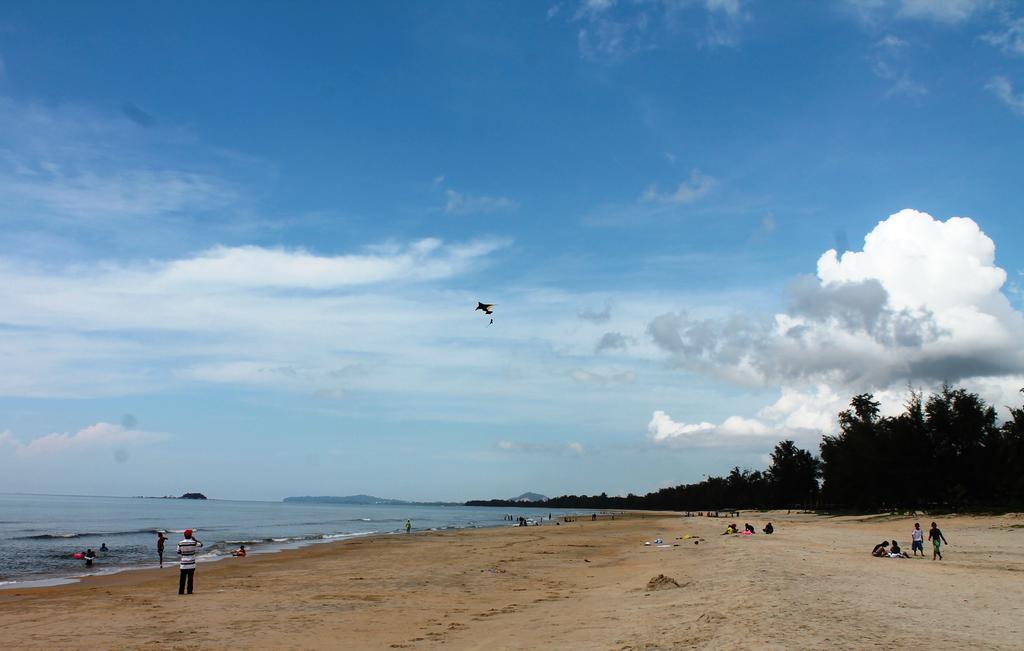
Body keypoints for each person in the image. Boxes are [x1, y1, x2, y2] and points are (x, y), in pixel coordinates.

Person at [177, 529, 203, 595]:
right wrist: (195, 540)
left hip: (183, 564)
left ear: (184, 535)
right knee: (190, 579)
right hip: (191, 564)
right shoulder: (194, 543)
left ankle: (181, 592)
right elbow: (201, 544)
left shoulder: (180, 543)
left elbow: (178, 552)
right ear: (191, 535)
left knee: (182, 579)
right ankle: (189, 591)